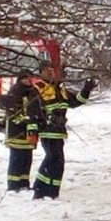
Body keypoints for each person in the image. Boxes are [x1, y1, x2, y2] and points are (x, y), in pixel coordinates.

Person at [31, 61, 97, 200]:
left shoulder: (60, 88)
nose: (50, 72)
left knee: (57, 160)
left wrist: (87, 89)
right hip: (47, 130)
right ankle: (42, 190)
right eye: (47, 69)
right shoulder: (38, 88)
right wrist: (38, 126)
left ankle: (49, 190)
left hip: (59, 130)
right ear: (40, 72)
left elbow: (76, 101)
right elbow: (33, 110)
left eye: (51, 69)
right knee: (53, 158)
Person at [0, 69, 43, 192]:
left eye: (30, 78)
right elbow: (14, 112)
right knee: (16, 159)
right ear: (20, 79)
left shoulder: (32, 93)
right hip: (16, 132)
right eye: (26, 78)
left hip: (29, 132)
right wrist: (25, 121)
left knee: (27, 159)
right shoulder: (15, 92)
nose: (29, 81)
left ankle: (24, 184)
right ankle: (13, 185)